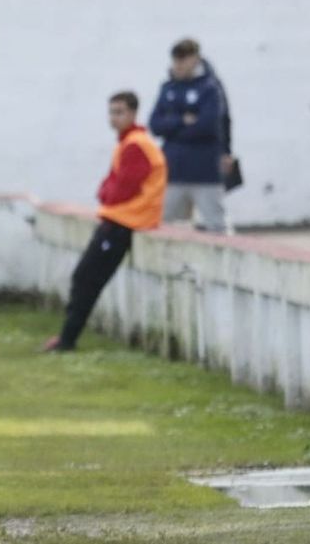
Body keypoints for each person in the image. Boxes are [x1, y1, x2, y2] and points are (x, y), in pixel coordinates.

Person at [43, 92, 167, 353]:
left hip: (124, 223)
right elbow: (112, 182)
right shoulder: (129, 143)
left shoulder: (136, 144)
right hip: (119, 220)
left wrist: (106, 195)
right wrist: (106, 192)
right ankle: (66, 336)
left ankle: (67, 339)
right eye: (112, 112)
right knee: (85, 279)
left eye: (120, 112)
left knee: (87, 279)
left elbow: (122, 187)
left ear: (133, 113)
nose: (114, 118)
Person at [149, 39, 229, 233]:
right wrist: (182, 120)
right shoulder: (168, 88)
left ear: (195, 59)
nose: (179, 65)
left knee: (215, 226)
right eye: (177, 60)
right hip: (173, 169)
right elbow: (155, 124)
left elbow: (207, 125)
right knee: (166, 226)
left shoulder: (210, 88)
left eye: (184, 60)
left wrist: (173, 128)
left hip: (204, 170)